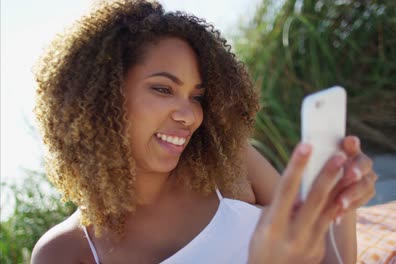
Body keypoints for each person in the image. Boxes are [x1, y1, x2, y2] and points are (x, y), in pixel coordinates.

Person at [31, 1, 377, 263]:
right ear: (99, 97)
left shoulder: (230, 166)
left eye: (197, 97)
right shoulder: (67, 251)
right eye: (163, 89)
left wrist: (340, 206)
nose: (189, 115)